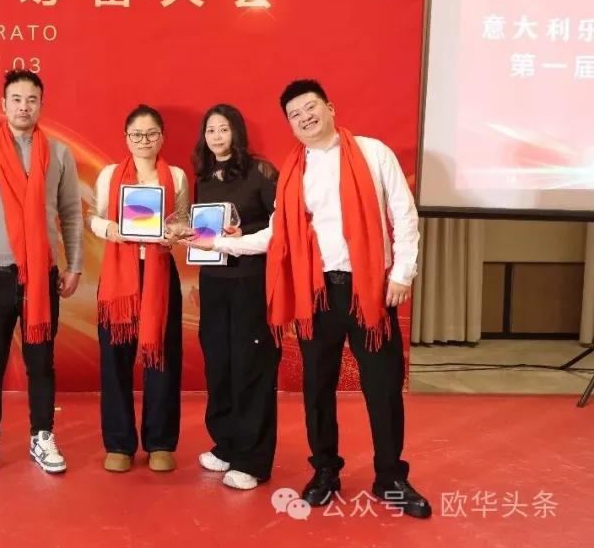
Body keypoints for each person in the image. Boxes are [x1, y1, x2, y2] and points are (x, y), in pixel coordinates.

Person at [196, 79, 430, 518]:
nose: (305, 117)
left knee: (382, 387)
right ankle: (325, 470)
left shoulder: (372, 152)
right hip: (317, 294)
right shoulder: (293, 171)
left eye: (310, 107)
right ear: (289, 124)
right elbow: (277, 235)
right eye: (295, 114)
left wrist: (402, 273)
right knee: (317, 388)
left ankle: (390, 477)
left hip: (370, 290)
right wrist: (221, 243)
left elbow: (403, 214)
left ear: (330, 108)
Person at [0, 70, 84, 476]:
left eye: (32, 99)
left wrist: (74, 264)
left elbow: (71, 213)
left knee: (41, 362)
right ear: (3, 104)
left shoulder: (58, 153)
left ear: (41, 105)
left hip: (42, 276)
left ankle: (42, 434)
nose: (24, 107)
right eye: (16, 99)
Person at [90, 105, 189, 473]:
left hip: (160, 274)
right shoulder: (110, 175)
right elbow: (93, 217)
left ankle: (160, 442)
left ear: (162, 137)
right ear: (126, 138)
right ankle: (119, 443)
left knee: (163, 357)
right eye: (137, 135)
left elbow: (182, 219)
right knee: (114, 360)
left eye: (151, 134)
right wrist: (109, 229)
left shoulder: (176, 176)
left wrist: (173, 233)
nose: (144, 140)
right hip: (119, 279)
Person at [188, 104, 280, 491]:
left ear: (237, 133)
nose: (216, 136)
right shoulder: (203, 178)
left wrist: (242, 237)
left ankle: (252, 460)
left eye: (223, 129)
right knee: (219, 365)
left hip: (250, 283)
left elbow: (280, 227)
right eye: (210, 130)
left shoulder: (262, 172)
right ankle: (226, 445)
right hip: (214, 283)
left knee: (250, 367)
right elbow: (205, 234)